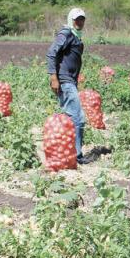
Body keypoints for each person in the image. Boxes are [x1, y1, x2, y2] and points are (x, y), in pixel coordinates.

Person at [46, 8, 90, 165]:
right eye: (76, 19)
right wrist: (53, 77)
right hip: (64, 81)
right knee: (78, 117)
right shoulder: (66, 33)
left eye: (82, 19)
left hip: (70, 81)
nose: (79, 22)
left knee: (70, 117)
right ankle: (77, 155)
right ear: (71, 19)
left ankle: (65, 152)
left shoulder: (77, 37)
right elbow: (51, 53)